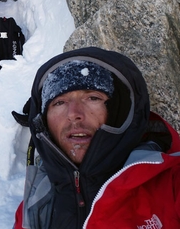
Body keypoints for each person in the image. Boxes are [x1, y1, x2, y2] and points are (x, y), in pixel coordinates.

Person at [13, 46, 180, 229]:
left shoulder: (170, 185)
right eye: (59, 102)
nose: (74, 114)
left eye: (93, 98)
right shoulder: (34, 205)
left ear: (118, 112)